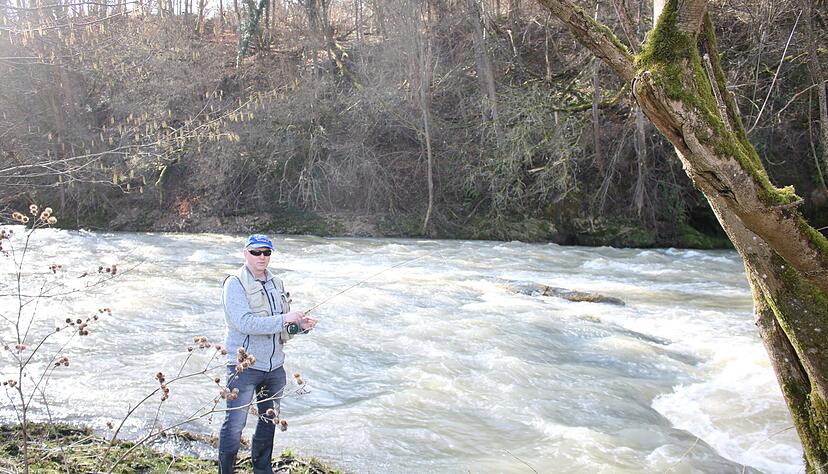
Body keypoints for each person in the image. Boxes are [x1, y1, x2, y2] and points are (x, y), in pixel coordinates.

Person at [218, 234, 317, 474]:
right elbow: (245, 323)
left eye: (266, 252)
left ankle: (262, 470)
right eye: (256, 252)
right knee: (234, 425)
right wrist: (285, 318)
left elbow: (280, 327)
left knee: (269, 421)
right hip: (243, 367)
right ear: (245, 254)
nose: (262, 257)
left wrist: (298, 327)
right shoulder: (235, 283)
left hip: (274, 368)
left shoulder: (277, 283)